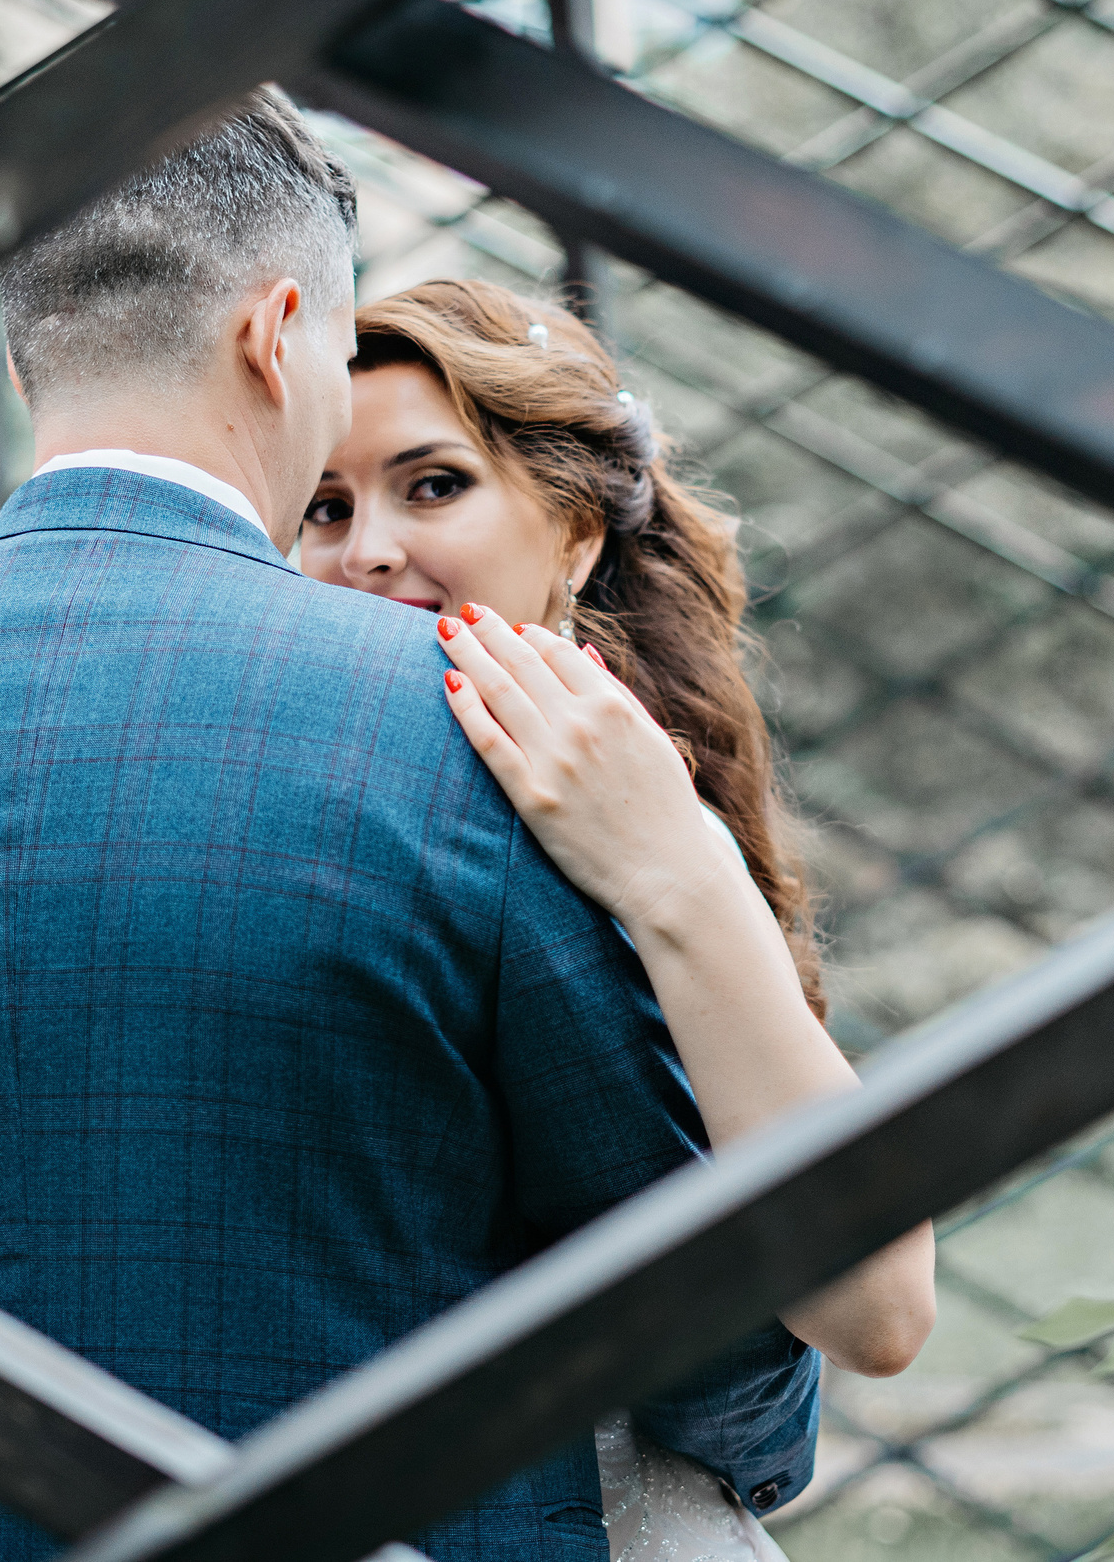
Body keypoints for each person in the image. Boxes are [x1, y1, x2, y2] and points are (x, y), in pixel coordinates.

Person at [0, 89, 818, 1562]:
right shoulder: (471, 723)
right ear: (278, 335)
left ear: (27, 362)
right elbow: (689, 1319)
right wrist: (759, 1455)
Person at [301, 281, 937, 1561]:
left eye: (431, 486)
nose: (366, 549)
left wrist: (675, 873)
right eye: (323, 505)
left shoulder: (657, 828)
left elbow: (879, 1311)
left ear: (578, 532)